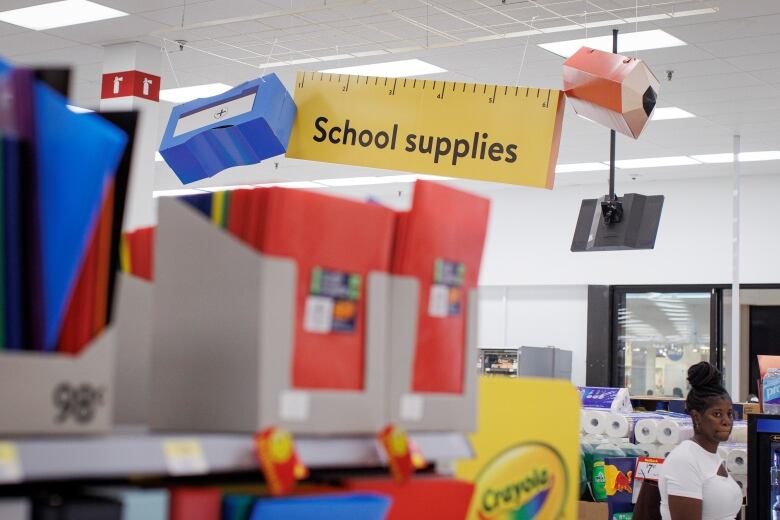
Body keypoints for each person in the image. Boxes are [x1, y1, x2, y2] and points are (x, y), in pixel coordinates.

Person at [658, 362, 743, 520]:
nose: (726, 421)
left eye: (729, 414)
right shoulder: (684, 460)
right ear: (696, 417)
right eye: (717, 414)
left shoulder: (714, 456)